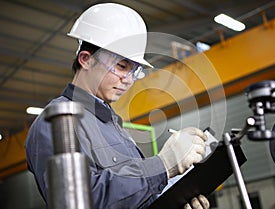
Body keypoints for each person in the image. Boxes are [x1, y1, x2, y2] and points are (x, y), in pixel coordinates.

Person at [25, 3, 210, 209]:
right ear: (86, 59)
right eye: (122, 66)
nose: (129, 80)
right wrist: (163, 165)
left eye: (135, 71)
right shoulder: (56, 123)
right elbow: (79, 201)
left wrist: (173, 200)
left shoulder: (114, 127)